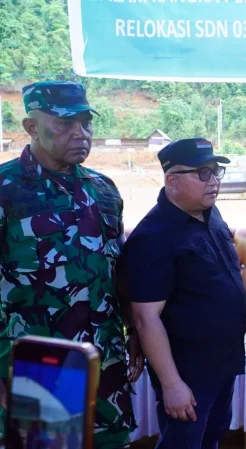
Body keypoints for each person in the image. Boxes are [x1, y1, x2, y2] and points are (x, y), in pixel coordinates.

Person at [0, 81, 139, 447]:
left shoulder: (103, 190)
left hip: (104, 359)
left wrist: (134, 333)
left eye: (85, 122)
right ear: (31, 127)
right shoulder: (6, 189)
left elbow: (118, 272)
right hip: (36, 367)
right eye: (64, 123)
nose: (80, 133)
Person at [120, 138, 246, 449]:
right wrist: (172, 384)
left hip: (223, 362)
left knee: (212, 436)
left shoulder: (210, 213)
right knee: (183, 442)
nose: (213, 180)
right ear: (172, 180)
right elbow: (146, 318)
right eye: (202, 173)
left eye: (216, 171)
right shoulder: (153, 236)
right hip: (188, 371)